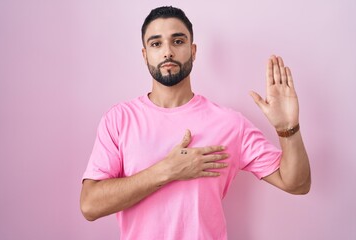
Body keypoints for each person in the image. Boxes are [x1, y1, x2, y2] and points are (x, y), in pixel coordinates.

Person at [80, 6, 311, 240]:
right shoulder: (119, 119)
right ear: (145, 54)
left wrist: (287, 129)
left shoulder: (230, 123)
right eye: (156, 44)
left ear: (193, 51)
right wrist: (167, 171)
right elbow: (90, 205)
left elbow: (297, 184)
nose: (167, 52)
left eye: (177, 41)